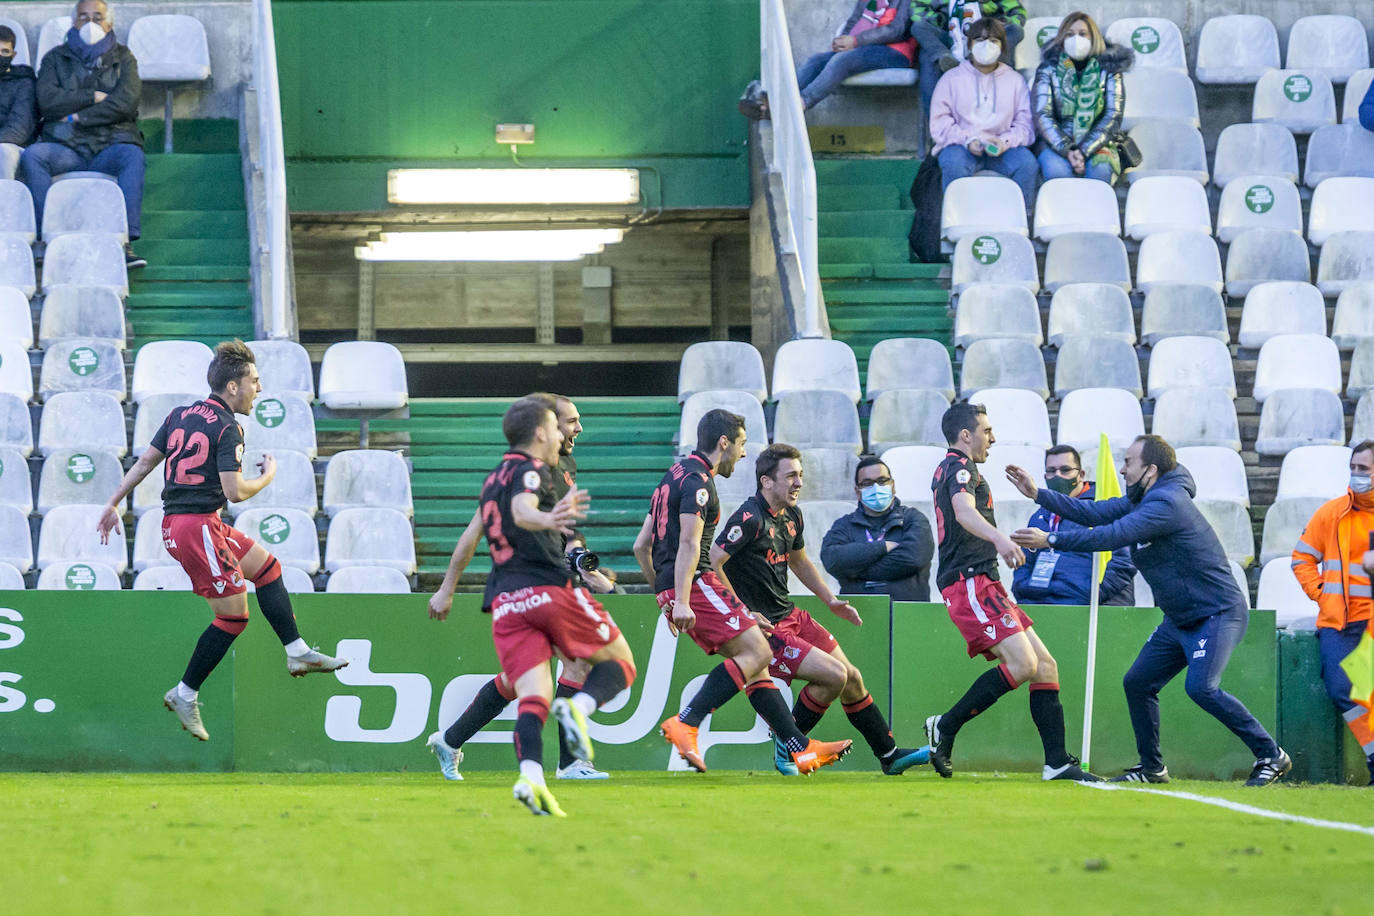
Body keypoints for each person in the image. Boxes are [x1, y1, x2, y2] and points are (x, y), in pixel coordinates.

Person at [94, 340, 347, 741]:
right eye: (255, 381)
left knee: (267, 568)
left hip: (191, 523)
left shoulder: (180, 416)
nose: (258, 389)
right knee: (233, 617)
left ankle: (297, 651)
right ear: (233, 387)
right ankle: (184, 693)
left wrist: (113, 503)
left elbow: (145, 462)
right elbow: (235, 492)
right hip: (197, 527)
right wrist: (269, 475)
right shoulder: (229, 427)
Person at [1008, 434, 1292, 787]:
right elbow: (1093, 511)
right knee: (1138, 683)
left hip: (1217, 612)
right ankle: (1152, 768)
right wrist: (1039, 494)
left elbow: (1109, 535)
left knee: (1201, 688)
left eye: (1129, 462)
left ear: (1151, 470)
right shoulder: (1142, 497)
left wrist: (1051, 540)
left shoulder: (1166, 504)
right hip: (1180, 617)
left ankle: (1271, 754)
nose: (1123, 469)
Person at [633, 409, 852, 774]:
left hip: (676, 585)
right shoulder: (699, 482)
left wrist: (665, 596)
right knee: (759, 651)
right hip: (697, 581)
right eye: (741, 444)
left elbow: (642, 546)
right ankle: (687, 722)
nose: (743, 453)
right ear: (724, 443)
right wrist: (683, 599)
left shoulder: (670, 477)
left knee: (756, 664)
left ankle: (799, 746)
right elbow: (689, 543)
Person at [455, 394, 637, 816]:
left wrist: (447, 588)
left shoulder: (495, 476)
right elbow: (524, 510)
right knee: (620, 663)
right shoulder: (535, 469)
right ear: (543, 430)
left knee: (531, 693)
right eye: (564, 424)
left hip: (505, 598)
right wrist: (549, 520)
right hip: (548, 588)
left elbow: (478, 532)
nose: (570, 432)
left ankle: (531, 778)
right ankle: (578, 713)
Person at [711, 444, 929, 776]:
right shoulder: (749, 517)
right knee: (834, 676)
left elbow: (798, 561)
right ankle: (790, 741)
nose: (799, 482)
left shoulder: (791, 514)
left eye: (800, 475)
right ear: (766, 481)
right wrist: (741, 612)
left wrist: (830, 600)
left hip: (791, 615)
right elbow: (714, 561)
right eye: (791, 476)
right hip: (765, 628)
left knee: (852, 679)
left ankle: (889, 755)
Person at [923, 402, 1099, 782]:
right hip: (968, 581)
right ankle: (946, 726)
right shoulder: (958, 467)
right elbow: (964, 512)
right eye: (987, 430)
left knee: (1045, 666)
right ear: (965, 435)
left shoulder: (957, 468)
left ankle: (1056, 763)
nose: (993, 437)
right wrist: (1001, 540)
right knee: (1023, 665)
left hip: (986, 580)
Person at [21, 0, 146, 268]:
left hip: (111, 144)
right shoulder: (55, 58)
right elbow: (48, 101)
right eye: (83, 17)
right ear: (74, 22)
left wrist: (80, 115)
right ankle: (46, 238)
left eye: (97, 17)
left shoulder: (125, 58)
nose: (90, 24)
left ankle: (124, 241)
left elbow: (126, 104)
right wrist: (91, 96)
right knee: (34, 156)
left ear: (109, 23)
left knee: (132, 154)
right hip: (67, 147)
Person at [1292, 440, 1374, 786]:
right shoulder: (1331, 512)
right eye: (1353, 468)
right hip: (1338, 624)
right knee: (1344, 691)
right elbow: (1302, 558)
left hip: (1369, 622)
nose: (1356, 475)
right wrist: (1322, 594)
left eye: (1364, 469)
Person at [928, 17, 1038, 216]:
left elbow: (1026, 124)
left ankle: (1021, 220)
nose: (986, 45)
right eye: (979, 40)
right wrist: (967, 140)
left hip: (1003, 148)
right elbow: (940, 123)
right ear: (969, 45)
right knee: (954, 162)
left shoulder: (1015, 81)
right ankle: (955, 221)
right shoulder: (951, 79)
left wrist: (1004, 141)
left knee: (1027, 164)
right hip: (961, 147)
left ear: (1003, 47)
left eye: (994, 41)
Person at [1011, 444, 1135, 606]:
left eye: (1065, 470)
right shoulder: (1039, 517)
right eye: (1051, 471)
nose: (1058, 476)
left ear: (1081, 474)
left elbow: (1124, 561)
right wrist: (1023, 588)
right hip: (1041, 602)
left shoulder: (1104, 508)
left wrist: (1092, 594)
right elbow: (1024, 561)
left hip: (1091, 608)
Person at [1031, 12, 1132, 184]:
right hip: (1054, 144)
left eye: (1083, 34)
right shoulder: (1047, 69)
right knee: (1057, 172)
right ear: (1062, 39)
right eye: (1070, 34)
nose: (1076, 39)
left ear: (1093, 37)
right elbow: (1042, 114)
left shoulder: (1110, 69)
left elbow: (1112, 116)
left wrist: (1084, 150)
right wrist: (1068, 149)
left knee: (1100, 170)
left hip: (1099, 143)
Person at [820, 455, 934, 601]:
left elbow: (913, 559)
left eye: (882, 481)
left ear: (892, 486)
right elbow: (832, 560)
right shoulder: (844, 525)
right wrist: (882, 547)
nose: (876, 487)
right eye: (867, 483)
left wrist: (854, 570)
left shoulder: (913, 519)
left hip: (907, 614)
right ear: (858, 491)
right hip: (858, 614)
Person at [909, 0, 1028, 116]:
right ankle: (943, 58)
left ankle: (982, 60)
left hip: (986, 38)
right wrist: (943, 19)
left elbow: (1018, 12)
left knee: (1015, 31)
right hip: (948, 37)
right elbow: (917, 10)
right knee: (919, 28)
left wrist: (994, 23)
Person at [0, 26, 36, 181]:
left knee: (3, 153)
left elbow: (18, 129)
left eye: (5, 52)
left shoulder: (23, 82)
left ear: (13, 55)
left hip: (10, 145)